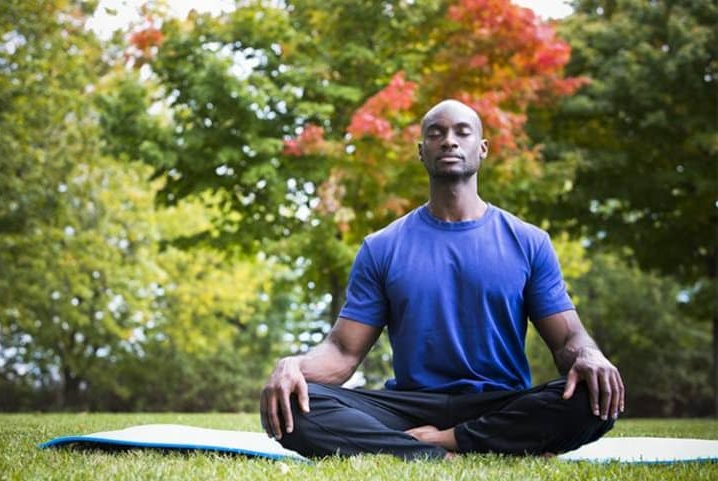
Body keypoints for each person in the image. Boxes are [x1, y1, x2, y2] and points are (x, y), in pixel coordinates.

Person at [259, 99, 624, 460]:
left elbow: (567, 341)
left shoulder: (528, 242)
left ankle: (444, 442)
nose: (449, 141)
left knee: (592, 395)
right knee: (293, 403)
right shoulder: (382, 246)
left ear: (482, 150)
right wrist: (295, 366)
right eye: (436, 134)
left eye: (462, 132)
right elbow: (342, 352)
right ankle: (461, 449)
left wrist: (589, 355)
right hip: (410, 405)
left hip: (499, 402)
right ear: (422, 151)